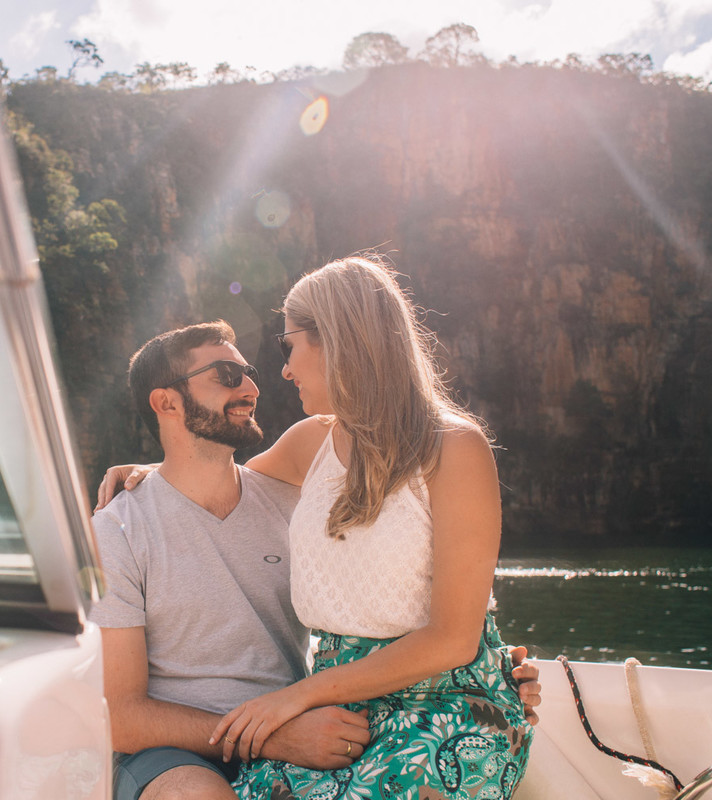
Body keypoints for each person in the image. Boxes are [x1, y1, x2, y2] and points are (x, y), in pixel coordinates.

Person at [92, 313, 540, 800]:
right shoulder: (118, 528)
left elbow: (399, 569)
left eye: (249, 374)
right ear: (166, 402)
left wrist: (487, 667)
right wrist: (274, 735)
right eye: (227, 376)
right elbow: (122, 717)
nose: (251, 387)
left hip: (304, 725)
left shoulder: (297, 499)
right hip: (178, 749)